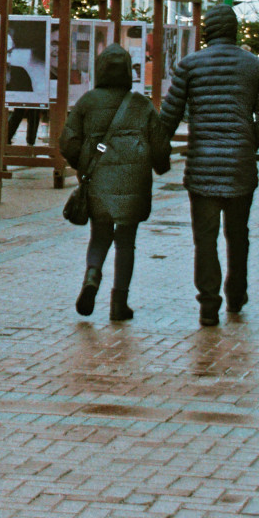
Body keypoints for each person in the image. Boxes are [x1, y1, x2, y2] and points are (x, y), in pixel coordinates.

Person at [153, 5, 259, 328]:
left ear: (207, 31)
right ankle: (236, 294)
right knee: (238, 234)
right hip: (240, 167)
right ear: (234, 30)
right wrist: (248, 143)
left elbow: (168, 117)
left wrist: (157, 155)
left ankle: (208, 305)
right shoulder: (255, 66)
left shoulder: (190, 65)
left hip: (202, 166)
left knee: (205, 239)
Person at [61, 44, 169, 323]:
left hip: (98, 180)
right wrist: (161, 166)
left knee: (100, 235)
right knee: (126, 242)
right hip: (134, 182)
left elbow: (68, 141)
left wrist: (83, 165)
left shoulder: (87, 102)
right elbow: (159, 145)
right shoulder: (141, 104)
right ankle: (119, 303)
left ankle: (92, 275)